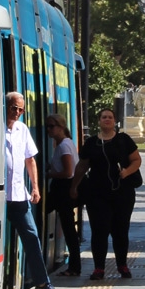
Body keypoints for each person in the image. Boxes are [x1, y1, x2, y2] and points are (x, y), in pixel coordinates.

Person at [72, 106, 142, 280]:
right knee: (99, 230)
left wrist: (126, 172)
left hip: (122, 194)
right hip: (97, 194)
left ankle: (122, 265)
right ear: (99, 121)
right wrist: (74, 186)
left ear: (114, 121)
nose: (107, 119)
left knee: (120, 230)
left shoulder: (124, 140)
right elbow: (82, 166)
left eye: (110, 117)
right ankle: (99, 268)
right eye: (104, 117)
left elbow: (136, 160)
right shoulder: (91, 143)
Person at [4, 92, 60, 289]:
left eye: (21, 109)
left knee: (32, 236)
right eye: (13, 108)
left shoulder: (22, 129)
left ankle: (42, 282)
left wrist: (35, 187)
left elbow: (30, 160)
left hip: (19, 194)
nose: (17, 113)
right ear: (5, 106)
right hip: (0, 196)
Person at [45, 113, 81, 277]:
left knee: (68, 229)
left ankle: (74, 267)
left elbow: (68, 172)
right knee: (68, 228)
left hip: (63, 191)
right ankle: (74, 266)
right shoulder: (65, 143)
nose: (48, 130)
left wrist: (49, 175)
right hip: (62, 190)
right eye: (47, 126)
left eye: (52, 126)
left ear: (61, 127)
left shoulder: (64, 146)